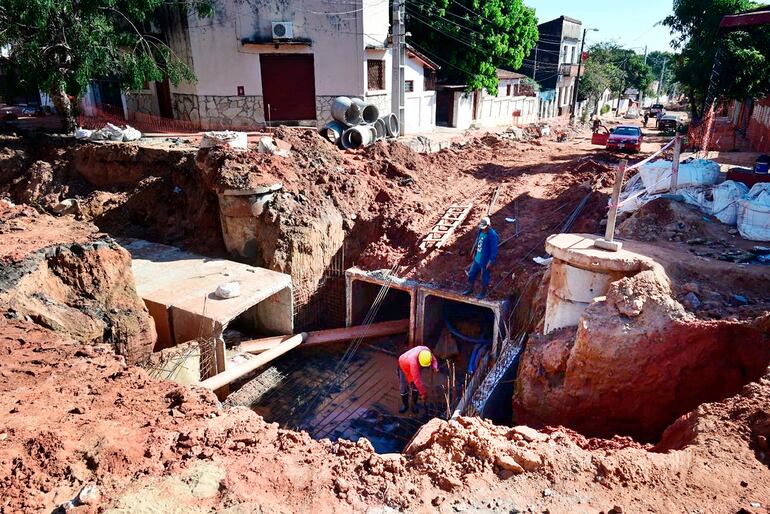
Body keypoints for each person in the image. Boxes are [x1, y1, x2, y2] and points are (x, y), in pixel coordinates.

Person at [462, 216, 499, 299]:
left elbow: (494, 250)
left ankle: (483, 293)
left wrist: (491, 261)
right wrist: (473, 250)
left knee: (484, 277)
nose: (483, 229)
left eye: (484, 227)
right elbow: (477, 241)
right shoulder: (480, 231)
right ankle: (470, 289)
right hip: (477, 259)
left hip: (485, 261)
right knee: (471, 274)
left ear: (489, 225)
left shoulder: (492, 236)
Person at [398, 346, 438, 414]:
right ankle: (405, 405)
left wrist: (435, 367)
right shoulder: (413, 362)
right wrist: (423, 393)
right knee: (404, 387)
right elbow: (417, 380)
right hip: (404, 366)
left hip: (414, 365)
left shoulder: (427, 351)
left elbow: (434, 359)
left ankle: (414, 405)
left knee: (415, 387)